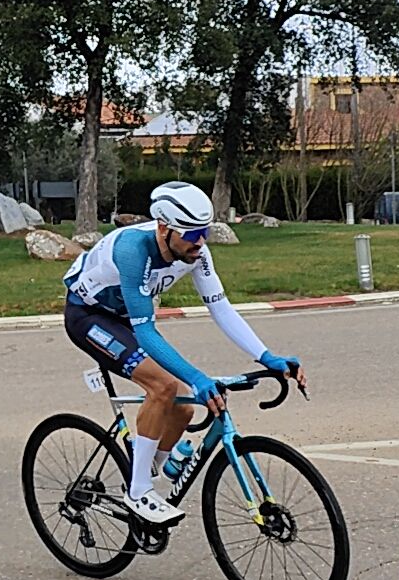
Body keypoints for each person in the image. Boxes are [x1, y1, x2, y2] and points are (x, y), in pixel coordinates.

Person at [60, 181, 307, 526]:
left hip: (126, 318)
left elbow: (221, 310)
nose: (200, 242)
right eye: (191, 235)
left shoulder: (196, 253)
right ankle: (138, 490)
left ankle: (148, 466)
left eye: (204, 232)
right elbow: (145, 332)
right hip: (89, 317)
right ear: (164, 229)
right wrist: (197, 377)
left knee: (184, 405)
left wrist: (267, 357)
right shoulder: (134, 249)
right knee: (164, 388)